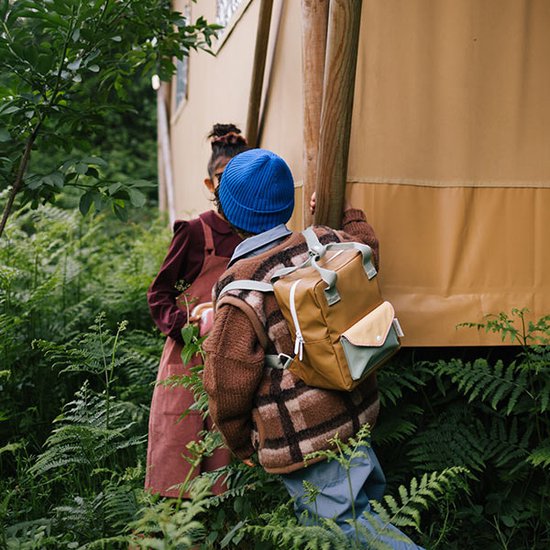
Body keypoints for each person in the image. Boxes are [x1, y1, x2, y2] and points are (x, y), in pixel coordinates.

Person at [203, 148, 424, 548]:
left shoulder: (239, 287)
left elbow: (226, 380)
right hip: (356, 410)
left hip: (307, 438)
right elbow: (366, 245)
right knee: (366, 516)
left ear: (229, 213)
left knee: (349, 535)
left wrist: (239, 440)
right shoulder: (323, 241)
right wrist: (346, 213)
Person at [145, 123, 249, 498]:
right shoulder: (193, 232)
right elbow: (158, 294)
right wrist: (182, 326)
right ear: (210, 184)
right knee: (177, 457)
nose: (231, 186)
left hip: (232, 362)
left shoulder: (253, 236)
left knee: (224, 467)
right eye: (224, 178)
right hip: (186, 360)